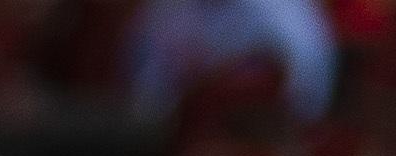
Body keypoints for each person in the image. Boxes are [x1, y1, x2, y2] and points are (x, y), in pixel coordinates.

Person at [123, 0, 333, 119]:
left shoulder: (288, 15)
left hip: (262, 145)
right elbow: (143, 98)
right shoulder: (164, 12)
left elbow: (306, 101)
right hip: (176, 144)